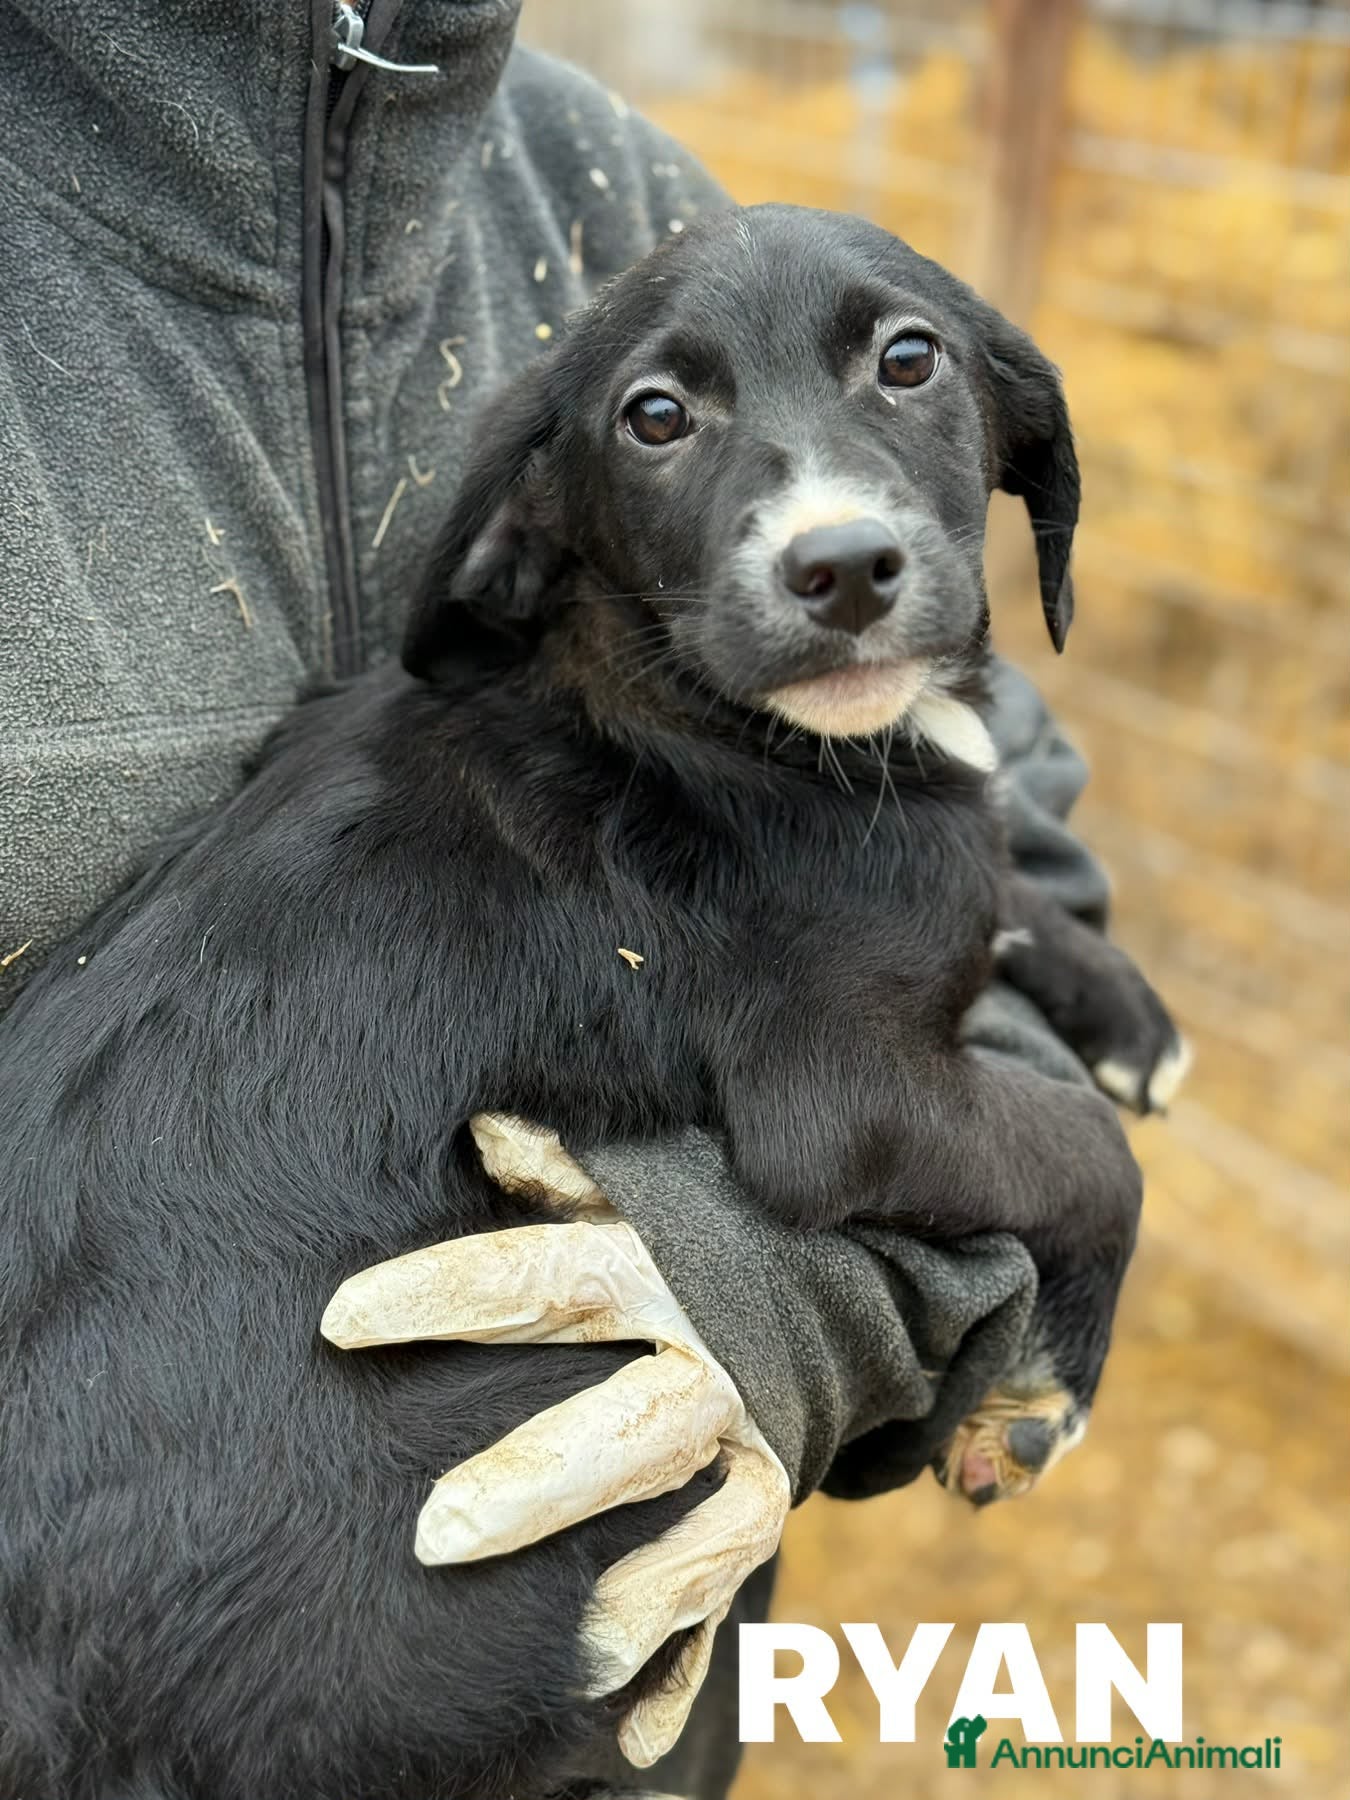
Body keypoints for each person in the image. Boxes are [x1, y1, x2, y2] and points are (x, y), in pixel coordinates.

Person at [1, 4, 1134, 1794]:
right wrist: (1055, 1165)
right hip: (184, 1623)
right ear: (536, 543)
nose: (822, 512)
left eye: (904, 366)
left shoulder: (604, 189)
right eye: (667, 419)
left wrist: (806, 1294)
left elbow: (999, 810)